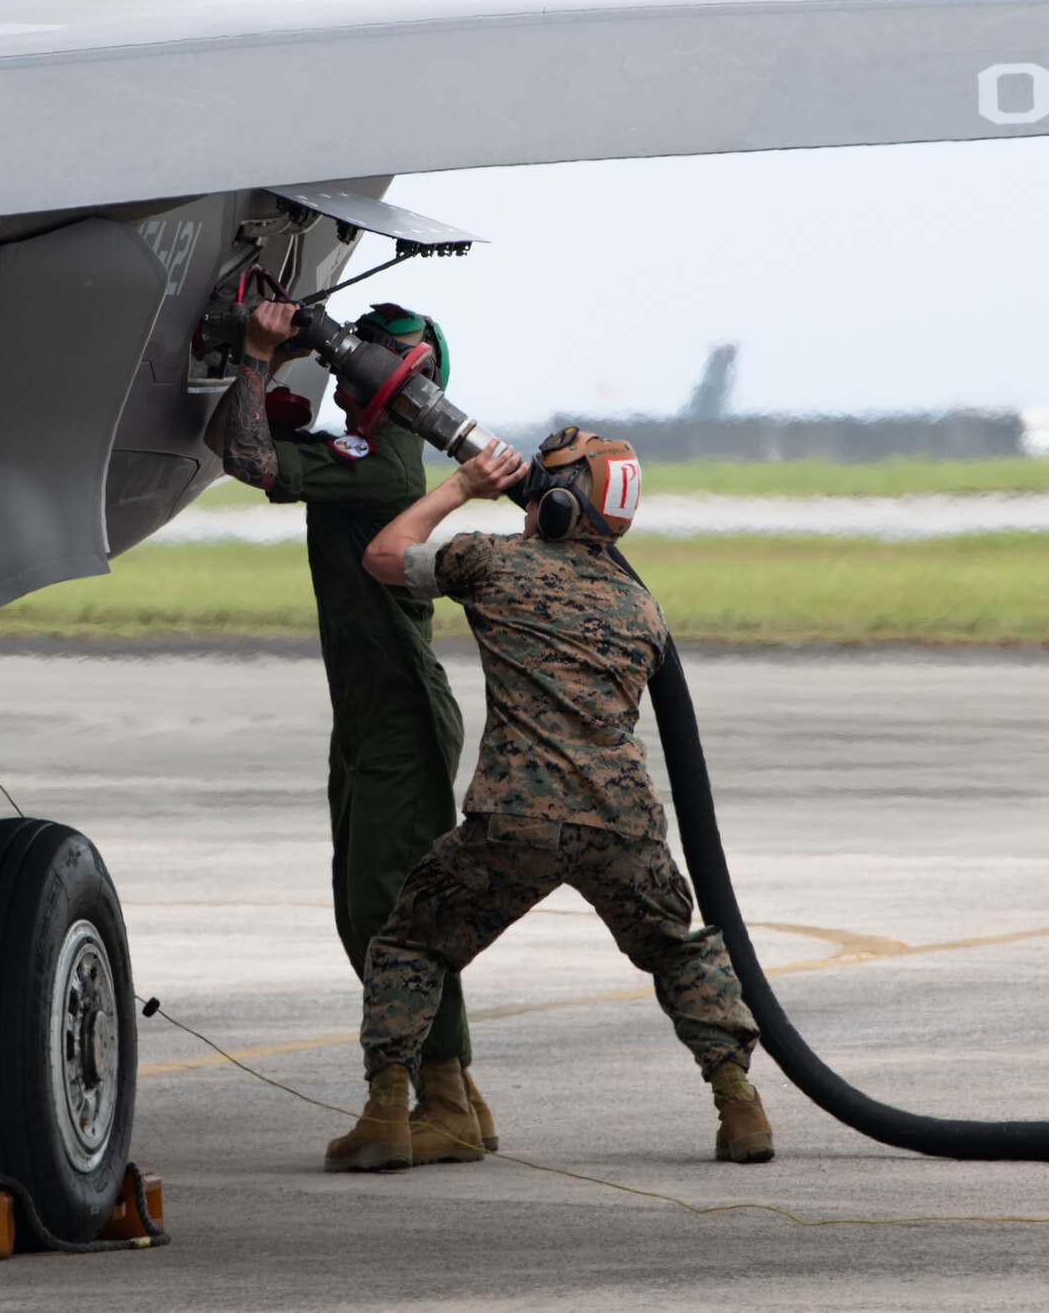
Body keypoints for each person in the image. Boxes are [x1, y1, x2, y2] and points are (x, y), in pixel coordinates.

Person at [320, 428, 773, 1173]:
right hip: (624, 822)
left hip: (516, 816)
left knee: (408, 941)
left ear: (560, 499)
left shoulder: (493, 562)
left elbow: (382, 555)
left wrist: (461, 487)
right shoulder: (642, 610)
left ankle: (386, 1114)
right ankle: (739, 1103)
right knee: (677, 950)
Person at [204, 298, 495, 1163]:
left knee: (389, 909)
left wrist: (257, 353)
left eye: (364, 360)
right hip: (373, 706)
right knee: (368, 902)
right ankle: (458, 1096)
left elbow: (250, 460)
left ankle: (419, 1099)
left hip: (397, 708)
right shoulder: (374, 452)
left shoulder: (377, 459)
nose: (348, 369)